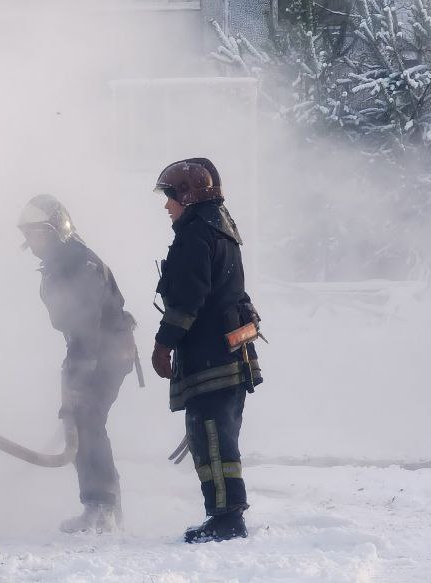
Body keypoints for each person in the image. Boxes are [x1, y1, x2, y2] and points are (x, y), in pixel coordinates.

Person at [150, 158, 264, 543]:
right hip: (231, 354)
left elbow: (186, 300)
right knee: (222, 437)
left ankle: (226, 520)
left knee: (211, 438)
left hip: (210, 356)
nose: (167, 206)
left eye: (170, 198)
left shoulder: (196, 234)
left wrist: (162, 344)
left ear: (187, 195)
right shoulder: (222, 226)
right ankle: (225, 514)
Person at [16, 194, 140, 534]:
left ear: (54, 231)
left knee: (87, 420)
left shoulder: (78, 265)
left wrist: (79, 375)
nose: (30, 242)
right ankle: (104, 505)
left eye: (35, 234)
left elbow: (88, 323)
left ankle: (102, 507)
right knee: (83, 421)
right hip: (90, 349)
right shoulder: (61, 262)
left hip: (106, 351)